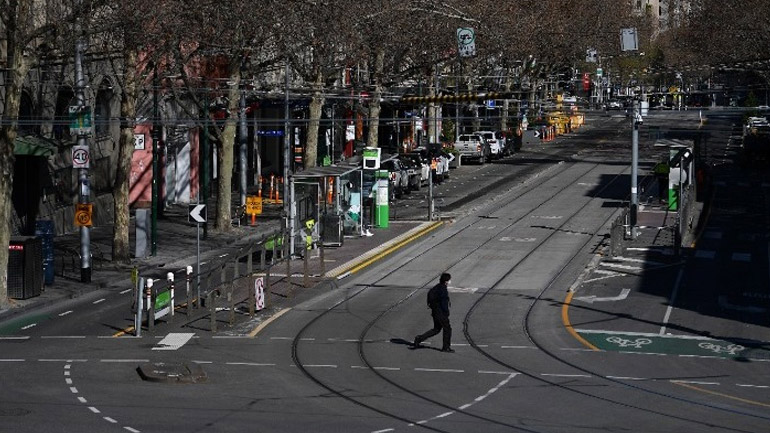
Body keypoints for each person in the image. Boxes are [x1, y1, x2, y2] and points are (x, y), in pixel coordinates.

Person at [413, 273, 453, 353]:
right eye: (449, 280)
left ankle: (419, 338)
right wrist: (446, 313)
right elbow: (444, 303)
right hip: (441, 313)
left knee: (436, 329)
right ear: (446, 281)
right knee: (447, 329)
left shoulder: (437, 287)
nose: (449, 282)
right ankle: (446, 347)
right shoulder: (443, 290)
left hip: (435, 312)